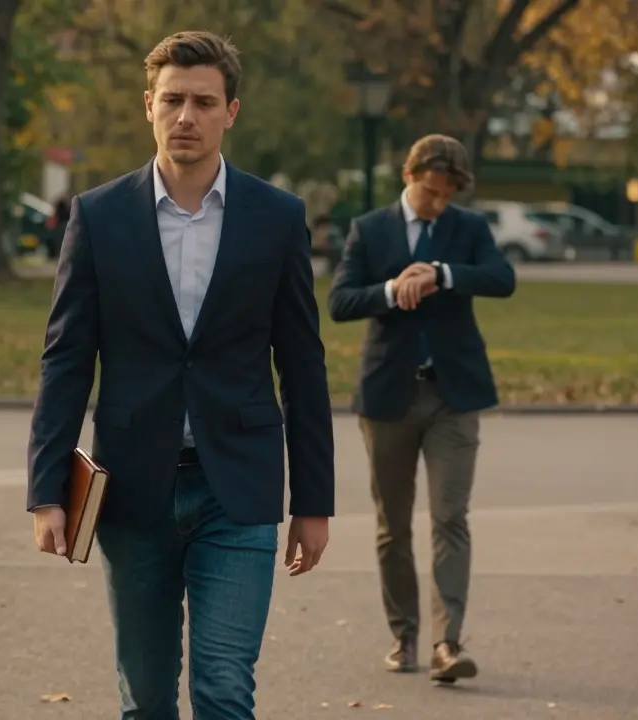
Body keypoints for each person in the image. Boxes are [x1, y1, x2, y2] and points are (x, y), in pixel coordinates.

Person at [26, 30, 335, 719]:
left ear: (232, 111)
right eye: (173, 100)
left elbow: (303, 366)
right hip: (134, 489)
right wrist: (47, 489)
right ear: (148, 106)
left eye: (203, 101)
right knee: (146, 696)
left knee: (225, 687)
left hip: (240, 485)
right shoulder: (99, 217)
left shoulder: (277, 218)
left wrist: (314, 501)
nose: (186, 116)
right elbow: (67, 360)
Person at [327, 134, 515, 685]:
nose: (437, 203)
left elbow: (503, 279)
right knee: (393, 525)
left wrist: (443, 274)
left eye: (446, 195)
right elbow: (340, 301)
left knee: (450, 518)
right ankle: (404, 633)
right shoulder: (370, 229)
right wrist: (392, 288)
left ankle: (446, 643)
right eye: (430, 191)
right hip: (388, 395)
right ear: (408, 177)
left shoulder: (469, 230)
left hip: (453, 397)